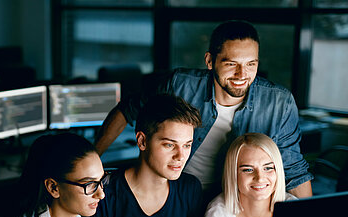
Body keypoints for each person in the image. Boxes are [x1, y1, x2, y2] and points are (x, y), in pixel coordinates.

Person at [94, 20, 313, 200]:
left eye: (250, 64)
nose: (241, 74)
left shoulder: (279, 102)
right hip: (178, 193)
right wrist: (93, 161)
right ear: (210, 61)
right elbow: (127, 109)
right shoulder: (179, 85)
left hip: (236, 200)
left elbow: (294, 169)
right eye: (231, 64)